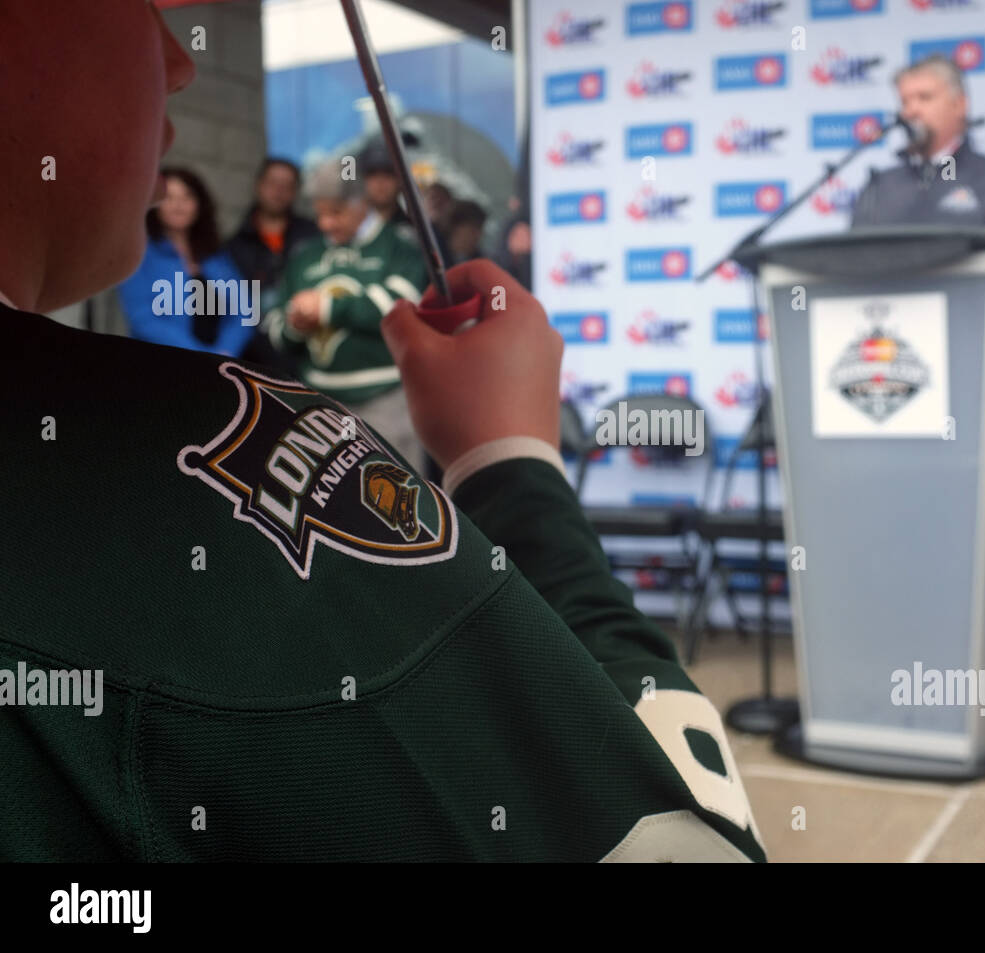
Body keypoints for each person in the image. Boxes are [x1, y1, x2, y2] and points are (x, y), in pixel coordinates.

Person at [0, 0, 764, 862]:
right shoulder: (182, 482)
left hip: (377, 410)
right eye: (147, 7)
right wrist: (510, 460)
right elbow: (679, 841)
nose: (180, 61)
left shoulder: (372, 259)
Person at [265, 166, 430, 469]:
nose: (326, 223)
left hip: (387, 398)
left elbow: (402, 308)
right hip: (319, 404)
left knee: (399, 496)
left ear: (361, 203)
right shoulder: (305, 257)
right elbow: (275, 327)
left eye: (336, 213)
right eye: (320, 214)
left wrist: (327, 308)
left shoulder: (398, 247)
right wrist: (296, 325)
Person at [850, 54, 985, 288]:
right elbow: (851, 264)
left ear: (959, 104)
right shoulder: (880, 186)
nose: (911, 111)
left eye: (924, 98)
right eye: (905, 102)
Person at [116, 166, 257, 356]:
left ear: (199, 204)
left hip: (220, 366)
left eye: (187, 197)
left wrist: (225, 352)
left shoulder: (216, 256)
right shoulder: (139, 252)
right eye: (169, 197)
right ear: (154, 203)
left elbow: (244, 312)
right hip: (160, 363)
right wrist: (198, 355)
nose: (178, 205)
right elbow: (142, 319)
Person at [225, 157, 321, 368]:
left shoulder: (314, 235)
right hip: (255, 356)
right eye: (273, 183)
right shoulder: (234, 245)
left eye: (287, 185)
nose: (279, 191)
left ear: (296, 191)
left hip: (310, 351)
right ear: (258, 185)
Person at [446, 199, 488, 265]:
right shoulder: (432, 252)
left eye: (480, 230)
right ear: (456, 228)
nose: (478, 235)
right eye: (473, 229)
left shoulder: (481, 262)